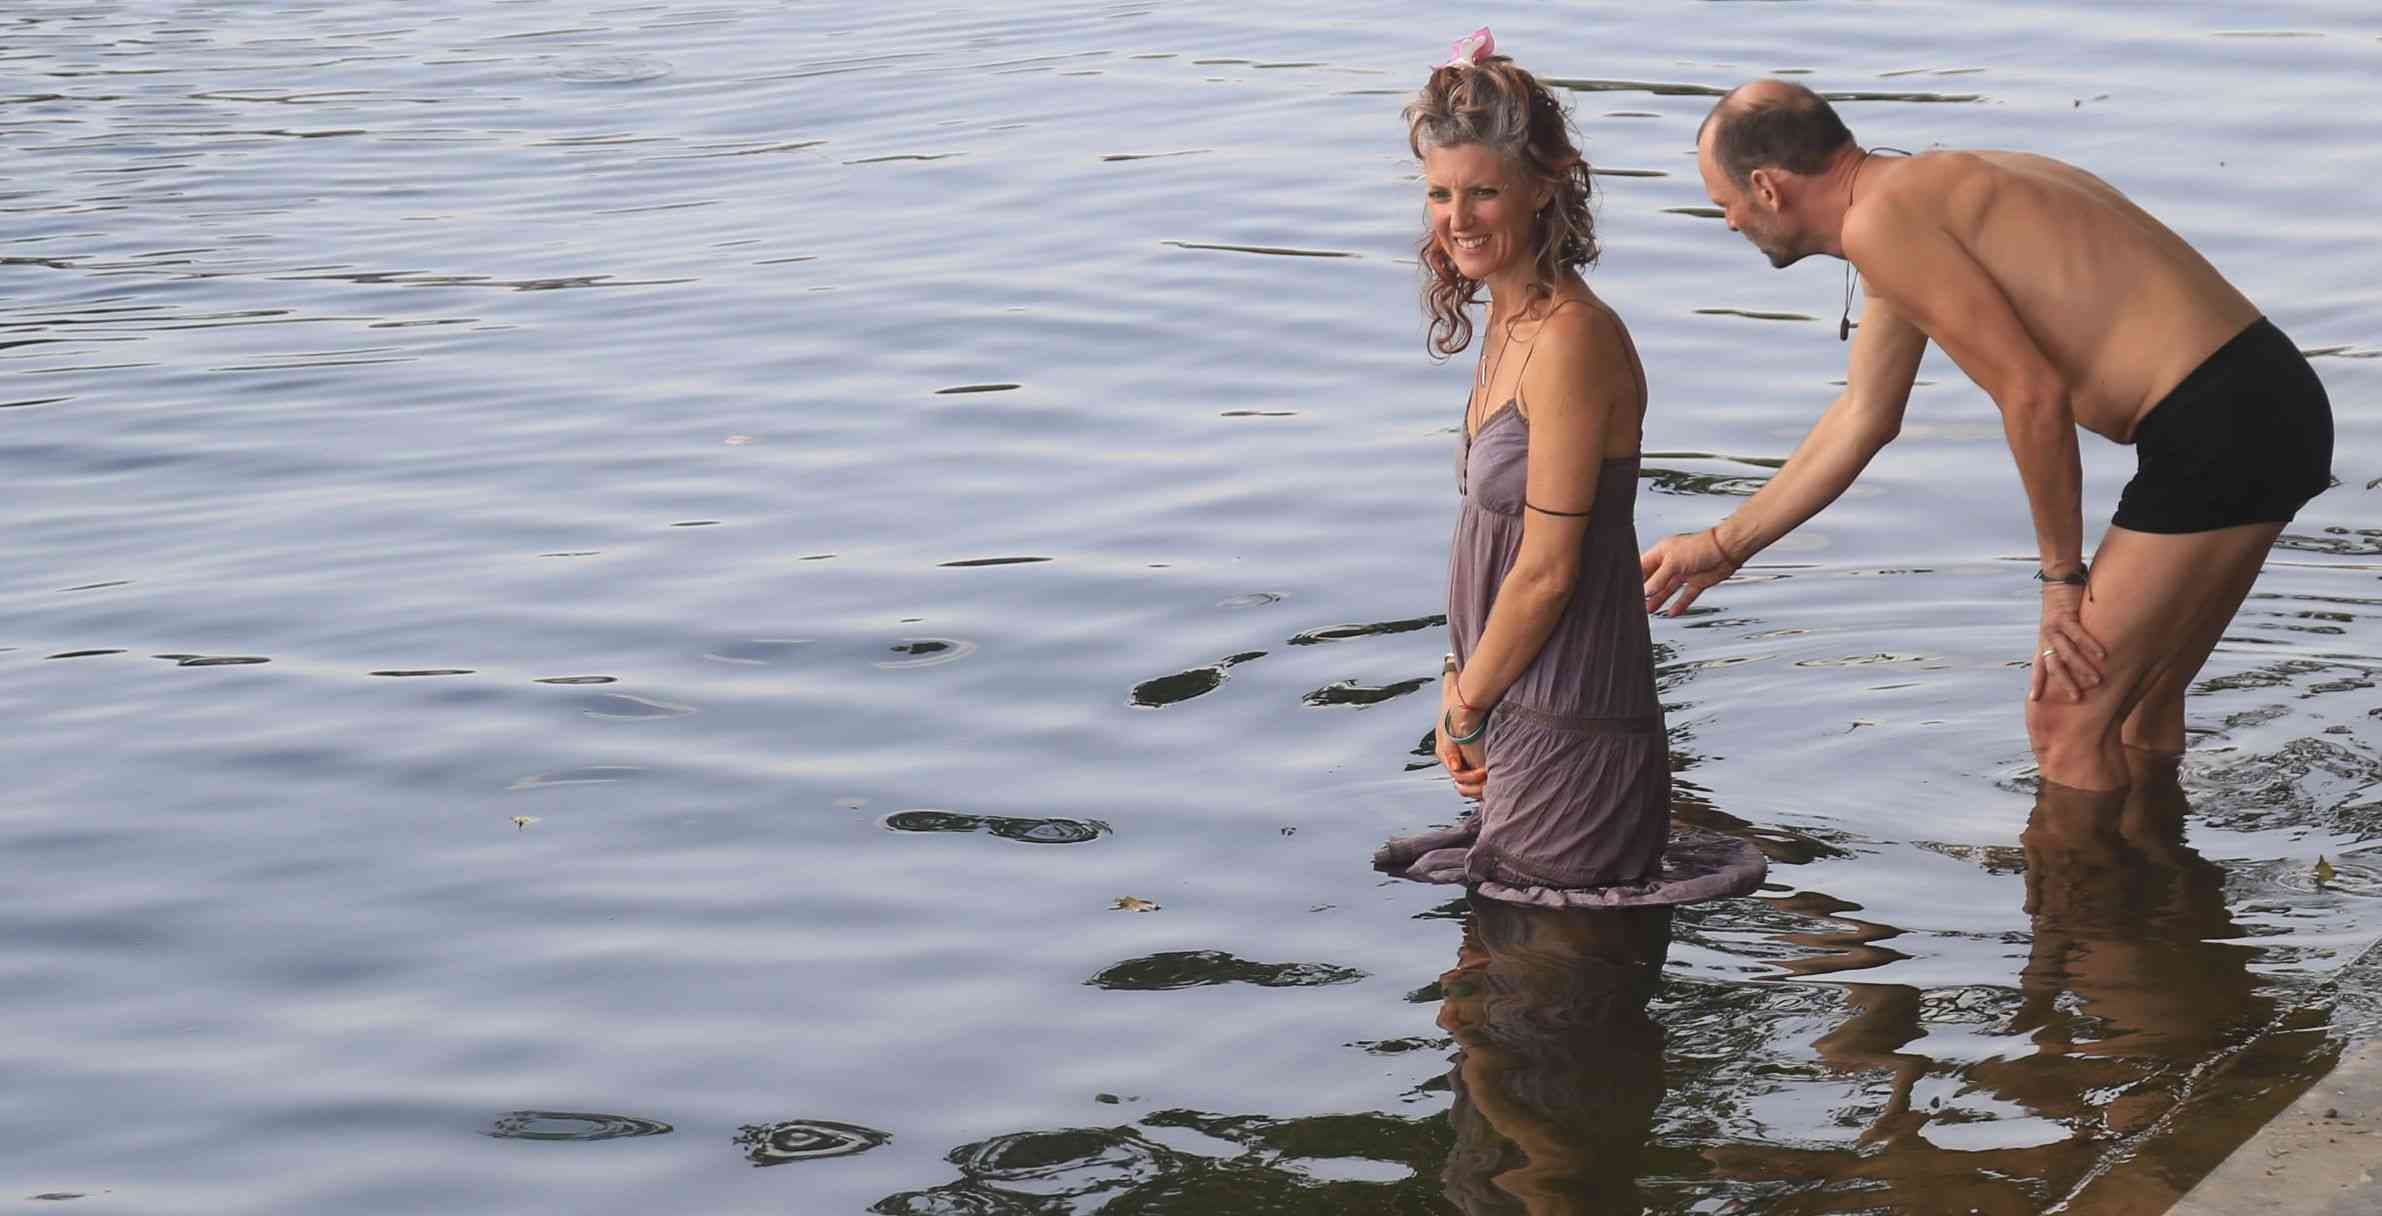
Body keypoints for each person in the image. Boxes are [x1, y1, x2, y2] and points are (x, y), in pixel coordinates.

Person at [1640, 80, 2333, 792]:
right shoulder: (1918, 194)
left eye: (1724, 204)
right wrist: (1723, 546)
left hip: (2218, 420)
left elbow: (2031, 393)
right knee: (2134, 709)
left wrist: (2061, 583)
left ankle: (2081, 902)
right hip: (2270, 398)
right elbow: (1865, 415)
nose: (1728, 224)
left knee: (2064, 719)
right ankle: (2154, 884)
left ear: (1766, 186)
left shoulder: (1884, 225)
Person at [1375, 30, 1763, 909]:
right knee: (1484, 1014)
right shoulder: (1508, 324)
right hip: (1511, 703)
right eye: (1439, 193)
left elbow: (1547, 574)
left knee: (1536, 1007)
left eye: (1482, 192)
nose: (1457, 218)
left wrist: (1464, 706)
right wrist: (1456, 679)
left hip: (1571, 721)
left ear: (1545, 186)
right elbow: (1489, 543)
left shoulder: (1572, 339)